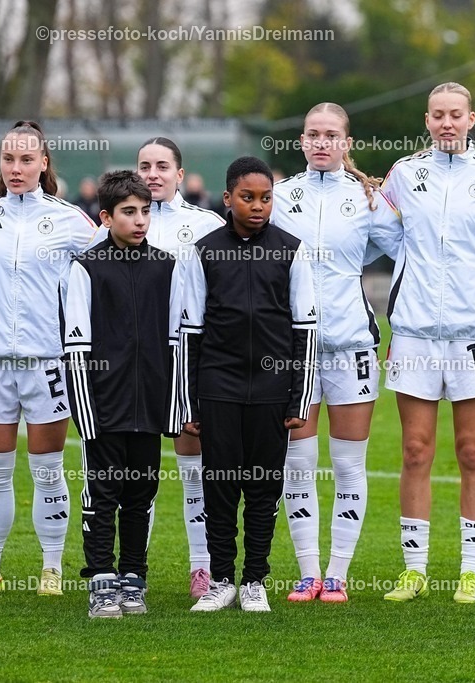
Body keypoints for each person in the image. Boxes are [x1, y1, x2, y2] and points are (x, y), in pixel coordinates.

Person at [381, 82, 475, 604]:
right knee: (415, 450)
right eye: (438, 115)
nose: (447, 123)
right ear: (427, 120)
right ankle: (414, 571)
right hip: (415, 333)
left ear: (472, 119)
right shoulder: (404, 174)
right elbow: (382, 229)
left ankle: (471, 571)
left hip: (473, 337)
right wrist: (409, 265)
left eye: (456, 115)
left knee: (472, 451)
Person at [0, 121, 103, 598]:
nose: (16, 168)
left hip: (49, 361)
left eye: (26, 160)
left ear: (44, 163)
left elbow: (107, 265)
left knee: (47, 469)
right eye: (8, 159)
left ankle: (52, 569)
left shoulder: (67, 218)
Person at [270, 102, 402, 603]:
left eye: (331, 135)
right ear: (301, 141)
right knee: (297, 464)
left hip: (352, 345)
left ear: (347, 143)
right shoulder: (281, 197)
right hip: (293, 350)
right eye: (312, 134)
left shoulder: (368, 200)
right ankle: (308, 573)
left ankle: (339, 573)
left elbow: (403, 250)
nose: (321, 142)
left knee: (349, 464)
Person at [178, 156, 317, 612]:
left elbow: (306, 329)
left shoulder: (292, 249)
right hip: (219, 385)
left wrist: (300, 394)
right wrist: (188, 403)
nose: (258, 206)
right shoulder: (204, 250)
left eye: (266, 198)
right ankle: (222, 579)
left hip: (273, 389)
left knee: (262, 485)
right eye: (248, 197)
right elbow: (189, 332)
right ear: (227, 198)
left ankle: (255, 578)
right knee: (220, 483)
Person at [63, 171, 184, 617]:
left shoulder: (166, 266)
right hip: (105, 407)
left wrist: (173, 405)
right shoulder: (86, 268)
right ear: (106, 217)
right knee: (102, 494)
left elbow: (176, 341)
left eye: (145, 211)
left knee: (141, 494)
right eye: (129, 213)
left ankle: (134, 578)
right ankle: (100, 579)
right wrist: (86, 414)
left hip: (150, 405)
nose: (139, 221)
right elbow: (75, 348)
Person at [136, 136, 225, 599]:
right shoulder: (119, 222)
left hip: (190, 360)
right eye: (145, 165)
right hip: (136, 363)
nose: (153, 174)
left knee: (195, 468)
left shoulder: (207, 224)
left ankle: (202, 567)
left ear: (179, 172)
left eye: (162, 166)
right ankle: (134, 567)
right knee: (138, 468)